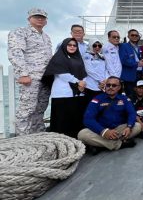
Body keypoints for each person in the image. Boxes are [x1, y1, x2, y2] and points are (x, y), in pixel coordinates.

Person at [7, 8, 52, 136]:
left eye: (42, 17)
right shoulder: (20, 32)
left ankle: (37, 134)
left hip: (45, 78)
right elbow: (15, 53)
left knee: (40, 109)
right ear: (29, 19)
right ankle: (22, 138)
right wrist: (23, 74)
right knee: (26, 109)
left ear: (46, 21)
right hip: (30, 78)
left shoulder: (46, 37)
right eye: (36, 16)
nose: (40, 19)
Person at [78, 76, 141, 153]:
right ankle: (118, 144)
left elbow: (132, 113)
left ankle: (101, 146)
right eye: (108, 85)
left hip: (118, 129)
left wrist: (129, 127)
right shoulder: (97, 99)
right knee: (82, 134)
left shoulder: (124, 99)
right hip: (101, 130)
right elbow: (88, 119)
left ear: (119, 87)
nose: (110, 87)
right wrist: (103, 131)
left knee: (138, 126)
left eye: (114, 85)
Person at [42, 38, 87, 138]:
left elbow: (83, 72)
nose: (72, 47)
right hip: (62, 93)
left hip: (76, 93)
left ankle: (75, 143)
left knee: (74, 119)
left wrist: (83, 83)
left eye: (74, 45)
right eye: (69, 45)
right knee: (62, 121)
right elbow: (62, 74)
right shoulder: (59, 58)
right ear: (64, 46)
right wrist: (78, 82)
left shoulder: (78, 58)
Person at [119, 29, 143, 96]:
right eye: (132, 35)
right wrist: (137, 64)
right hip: (129, 76)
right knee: (130, 95)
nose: (134, 36)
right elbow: (123, 60)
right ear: (128, 36)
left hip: (138, 74)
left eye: (136, 35)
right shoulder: (124, 46)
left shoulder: (138, 47)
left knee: (137, 95)